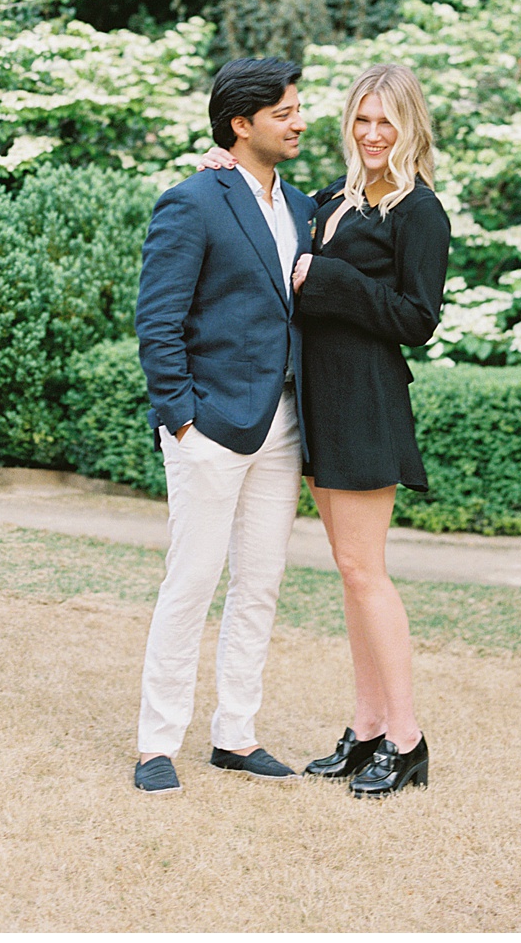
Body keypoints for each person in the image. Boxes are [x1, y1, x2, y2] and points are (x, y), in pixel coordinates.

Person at [201, 62, 450, 797]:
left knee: (366, 572)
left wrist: (333, 281)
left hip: (367, 402)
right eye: (363, 120)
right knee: (349, 572)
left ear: (410, 126)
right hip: (321, 403)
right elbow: (268, 215)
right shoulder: (332, 198)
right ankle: (367, 728)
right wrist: (223, 163)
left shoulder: (418, 211)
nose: (374, 135)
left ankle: (406, 740)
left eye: (387, 122)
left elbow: (419, 320)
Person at [132, 57, 315, 793]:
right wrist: (181, 419)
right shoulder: (191, 201)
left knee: (261, 583)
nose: (300, 121)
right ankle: (155, 745)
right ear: (241, 125)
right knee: (192, 581)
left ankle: (235, 736)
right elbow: (158, 319)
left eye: (299, 109)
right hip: (208, 428)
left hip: (284, 427)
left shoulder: (303, 205)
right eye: (284, 113)